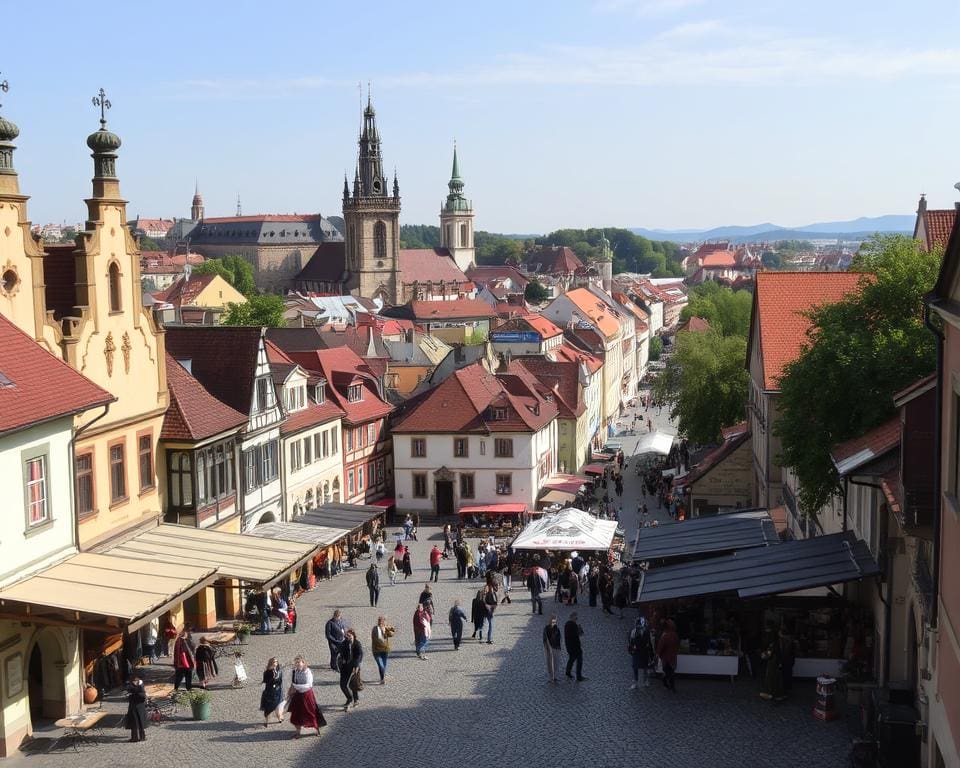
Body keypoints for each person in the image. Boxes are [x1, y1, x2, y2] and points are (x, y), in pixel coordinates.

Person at [288, 655, 325, 738]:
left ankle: (316, 729)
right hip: (298, 695)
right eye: (296, 663)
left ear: (303, 663)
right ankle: (298, 731)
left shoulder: (307, 672)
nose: (297, 664)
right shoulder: (295, 671)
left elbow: (309, 685)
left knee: (310, 712)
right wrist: (291, 689)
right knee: (296, 713)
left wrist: (296, 686)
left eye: (299, 662)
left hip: (306, 695)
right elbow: (293, 682)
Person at [337, 629, 363, 711]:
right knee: (342, 685)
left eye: (350, 636)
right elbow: (341, 652)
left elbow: (359, 655)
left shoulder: (357, 644)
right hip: (345, 667)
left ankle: (356, 700)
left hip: (354, 667)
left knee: (353, 684)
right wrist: (343, 659)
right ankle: (350, 698)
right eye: (347, 636)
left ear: (353, 636)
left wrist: (356, 666)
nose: (348, 638)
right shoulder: (344, 643)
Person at [628, 617, 655, 689]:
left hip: (643, 651)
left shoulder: (646, 631)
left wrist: (651, 652)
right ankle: (637, 682)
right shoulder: (633, 631)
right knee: (636, 667)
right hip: (637, 651)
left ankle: (645, 680)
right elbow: (630, 641)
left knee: (645, 666)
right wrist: (631, 649)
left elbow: (649, 642)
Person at [656, 619, 679, 693]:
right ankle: (671, 687)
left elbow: (660, 647)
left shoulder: (665, 636)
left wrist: (658, 655)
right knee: (671, 672)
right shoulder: (674, 635)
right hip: (672, 657)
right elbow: (677, 645)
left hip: (666, 658)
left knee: (668, 672)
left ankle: (667, 684)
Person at [260, 657, 284, 726]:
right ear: (270, 663)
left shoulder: (279, 671)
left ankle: (279, 718)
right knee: (268, 707)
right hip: (269, 691)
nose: (275, 663)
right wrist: (271, 676)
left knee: (278, 705)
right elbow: (265, 681)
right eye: (273, 662)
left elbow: (280, 681)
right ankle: (267, 721)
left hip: (277, 691)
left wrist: (278, 685)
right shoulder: (267, 672)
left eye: (276, 662)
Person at [371, 616, 394, 684]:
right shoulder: (375, 629)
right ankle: (383, 677)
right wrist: (383, 633)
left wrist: (388, 629)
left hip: (385, 650)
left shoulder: (386, 628)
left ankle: (382, 678)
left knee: (384, 665)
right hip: (377, 651)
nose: (381, 623)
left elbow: (391, 634)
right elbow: (375, 639)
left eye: (382, 622)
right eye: (379, 621)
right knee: (381, 665)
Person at [125, 677, 148, 742]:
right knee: (139, 722)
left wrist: (130, 696)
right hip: (139, 707)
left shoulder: (137, 688)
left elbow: (139, 695)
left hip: (135, 707)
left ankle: (135, 738)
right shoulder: (140, 688)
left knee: (135, 723)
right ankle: (141, 737)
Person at [564, 612, 586, 681]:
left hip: (569, 646)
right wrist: (579, 629)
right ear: (573, 617)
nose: (576, 619)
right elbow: (579, 634)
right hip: (575, 646)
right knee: (579, 661)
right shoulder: (573, 625)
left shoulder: (567, 624)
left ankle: (568, 672)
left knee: (571, 659)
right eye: (576, 617)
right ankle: (579, 676)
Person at [543, 615, 563, 684]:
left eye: (555, 621)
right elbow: (545, 639)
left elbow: (559, 637)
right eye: (552, 621)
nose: (554, 622)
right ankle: (551, 677)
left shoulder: (557, 628)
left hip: (556, 647)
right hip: (549, 649)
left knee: (556, 662)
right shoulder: (546, 628)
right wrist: (548, 648)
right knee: (549, 663)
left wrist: (559, 647)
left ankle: (555, 677)